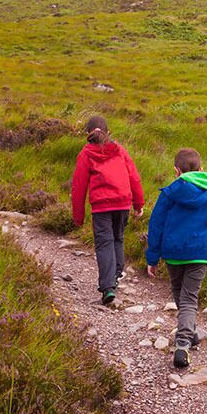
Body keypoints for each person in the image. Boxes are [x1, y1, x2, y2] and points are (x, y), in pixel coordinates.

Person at [145, 147, 207, 369]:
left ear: (176, 171)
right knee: (188, 298)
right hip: (199, 254)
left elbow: (156, 226)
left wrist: (152, 257)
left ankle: (184, 340)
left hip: (174, 254)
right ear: (201, 169)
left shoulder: (169, 193)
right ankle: (186, 338)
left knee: (181, 295)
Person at [71, 115, 144, 306]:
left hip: (101, 206)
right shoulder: (120, 150)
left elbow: (78, 186)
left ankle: (108, 287)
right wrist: (139, 204)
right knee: (118, 238)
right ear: (108, 132)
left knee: (104, 243)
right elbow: (134, 177)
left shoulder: (86, 154)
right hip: (122, 203)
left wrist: (78, 216)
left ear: (88, 134)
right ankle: (116, 274)